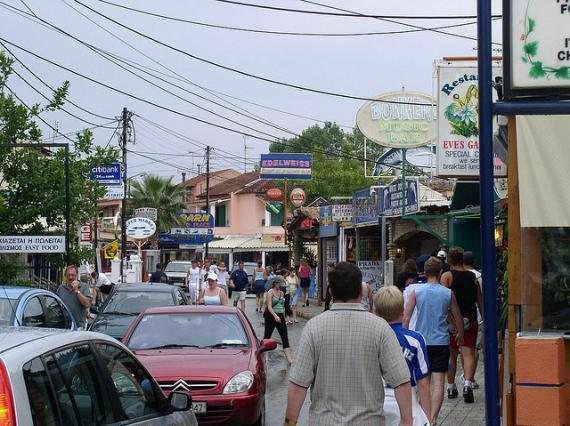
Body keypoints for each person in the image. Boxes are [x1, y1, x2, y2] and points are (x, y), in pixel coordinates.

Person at [284, 262, 413, 426]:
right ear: (361, 291)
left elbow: (298, 384)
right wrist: (406, 421)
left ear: (330, 292)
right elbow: (401, 380)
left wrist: (289, 423)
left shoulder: (313, 328)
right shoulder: (380, 328)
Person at [404, 257, 464, 425]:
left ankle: (423, 415)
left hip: (421, 343)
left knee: (423, 382)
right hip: (441, 342)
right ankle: (433, 418)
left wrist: (406, 336)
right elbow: (458, 316)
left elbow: (406, 316)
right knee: (439, 382)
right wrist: (460, 334)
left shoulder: (417, 292)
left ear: (424, 272)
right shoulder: (447, 293)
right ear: (440, 273)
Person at [374, 286, 431, 426]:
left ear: (375, 312)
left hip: (375, 404)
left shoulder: (368, 338)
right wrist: (428, 418)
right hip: (407, 402)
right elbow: (423, 384)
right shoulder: (415, 340)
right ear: (402, 311)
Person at [441, 247, 483, 404]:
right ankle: (467, 384)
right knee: (468, 353)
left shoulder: (447, 277)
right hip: (470, 319)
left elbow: (443, 300)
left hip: (452, 321)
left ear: (450, 260)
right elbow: (480, 300)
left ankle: (451, 387)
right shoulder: (472, 276)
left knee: (452, 355)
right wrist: (485, 319)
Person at [463, 251, 482, 390]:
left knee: (464, 350)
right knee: (474, 349)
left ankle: (467, 376)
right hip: (477, 318)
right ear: (473, 262)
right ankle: (470, 378)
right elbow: (482, 298)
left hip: (460, 318)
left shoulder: (456, 276)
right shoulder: (480, 277)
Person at [263, 275, 293, 365]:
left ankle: (290, 360)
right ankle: (263, 357)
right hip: (271, 315)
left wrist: (283, 316)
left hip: (280, 316)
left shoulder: (282, 293)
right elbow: (269, 306)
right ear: (275, 283)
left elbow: (283, 306)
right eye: (280, 284)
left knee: (284, 336)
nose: (281, 285)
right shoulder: (270, 292)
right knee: (267, 337)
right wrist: (275, 316)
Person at [403, 254, 430, 331]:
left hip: (412, 330)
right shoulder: (437, 289)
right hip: (430, 334)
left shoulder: (408, 289)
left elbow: (405, 313)